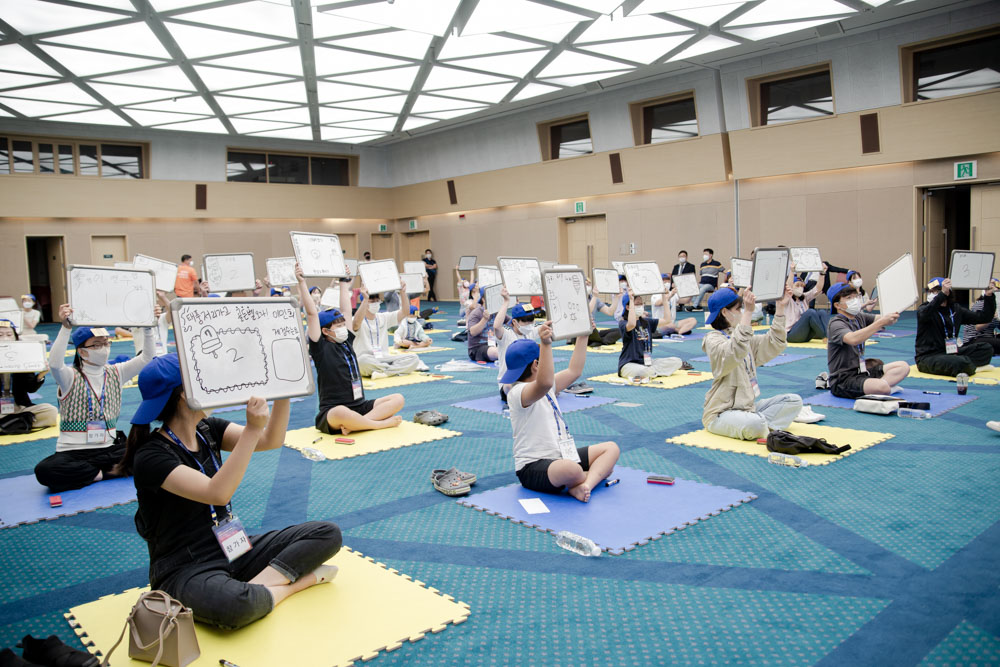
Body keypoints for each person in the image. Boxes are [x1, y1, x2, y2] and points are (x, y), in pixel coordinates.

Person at [116, 354, 341, 630]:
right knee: (237, 606)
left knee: (327, 534)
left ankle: (256, 590)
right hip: (185, 567)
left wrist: (283, 391)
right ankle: (296, 584)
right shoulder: (151, 456)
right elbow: (217, 493)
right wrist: (252, 429)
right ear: (185, 394)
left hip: (233, 549)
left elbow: (271, 439)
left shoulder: (206, 429)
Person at [34, 304, 156, 492]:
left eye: (106, 343)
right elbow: (55, 364)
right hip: (73, 452)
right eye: (97, 344)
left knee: (151, 449)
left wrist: (148, 327)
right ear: (82, 352)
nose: (104, 348)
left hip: (109, 448)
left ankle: (94, 473)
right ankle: (106, 473)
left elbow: (147, 358)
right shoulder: (69, 376)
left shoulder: (117, 372)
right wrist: (65, 328)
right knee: (45, 471)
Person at [503, 323, 619, 502]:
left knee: (611, 448)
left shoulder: (547, 386)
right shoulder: (517, 392)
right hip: (532, 467)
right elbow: (544, 383)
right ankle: (591, 475)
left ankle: (585, 485)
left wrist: (583, 335)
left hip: (562, 456)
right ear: (536, 365)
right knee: (571, 469)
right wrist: (546, 344)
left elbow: (574, 370)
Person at [297, 264, 404, 435]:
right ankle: (377, 424)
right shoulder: (321, 348)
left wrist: (343, 282)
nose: (342, 328)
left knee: (398, 399)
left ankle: (358, 423)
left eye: (343, 324)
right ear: (325, 331)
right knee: (341, 412)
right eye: (338, 326)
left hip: (360, 406)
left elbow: (346, 310)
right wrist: (302, 282)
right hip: (333, 410)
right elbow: (311, 314)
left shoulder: (346, 341)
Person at [701, 287, 811, 440]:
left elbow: (774, 342)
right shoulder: (712, 339)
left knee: (794, 401)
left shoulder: (744, 337)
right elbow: (734, 351)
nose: (741, 312)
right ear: (725, 312)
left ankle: (759, 424)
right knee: (755, 423)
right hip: (720, 413)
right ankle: (761, 425)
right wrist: (748, 312)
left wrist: (780, 308)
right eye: (738, 309)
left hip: (748, 408)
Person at [826, 282, 909, 397]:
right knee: (882, 387)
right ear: (837, 305)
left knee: (903, 367)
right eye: (849, 298)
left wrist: (892, 314)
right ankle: (881, 388)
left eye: (855, 297)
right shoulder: (836, 323)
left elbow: (882, 318)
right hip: (843, 379)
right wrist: (881, 323)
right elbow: (853, 339)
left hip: (862, 371)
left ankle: (877, 388)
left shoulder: (858, 317)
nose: (854, 300)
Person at [915, 277, 996, 376]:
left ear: (948, 292)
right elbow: (924, 314)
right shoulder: (924, 309)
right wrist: (941, 295)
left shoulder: (955, 309)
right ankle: (969, 366)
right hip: (928, 357)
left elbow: (984, 318)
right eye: (930, 291)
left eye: (936, 291)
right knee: (960, 362)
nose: (932, 294)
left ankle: (968, 366)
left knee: (986, 348)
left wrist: (988, 296)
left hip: (951, 351)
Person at [351, 290, 427, 379]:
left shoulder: (383, 317)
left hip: (384, 358)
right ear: (364, 303)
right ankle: (393, 370)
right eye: (372, 301)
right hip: (367, 359)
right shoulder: (356, 319)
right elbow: (356, 324)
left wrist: (403, 292)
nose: (375, 303)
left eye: (377, 301)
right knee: (361, 362)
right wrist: (365, 299)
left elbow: (405, 312)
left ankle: (384, 373)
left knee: (414, 358)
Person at [0, 319, 57, 434]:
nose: (5, 338)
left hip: (19, 407)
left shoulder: (24, 357)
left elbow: (30, 388)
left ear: (16, 338)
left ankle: (7, 425)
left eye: (9, 335)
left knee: (51, 411)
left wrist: (41, 374)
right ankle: (18, 423)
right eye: (0, 335)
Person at [617, 291, 683, 381]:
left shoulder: (646, 322)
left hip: (647, 363)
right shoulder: (623, 323)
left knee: (677, 361)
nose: (641, 306)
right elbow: (632, 324)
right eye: (637, 304)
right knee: (644, 371)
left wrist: (665, 299)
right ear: (628, 307)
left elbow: (667, 320)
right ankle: (652, 372)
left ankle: (652, 372)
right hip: (629, 364)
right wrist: (631, 300)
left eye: (641, 304)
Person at [494, 289, 540, 401]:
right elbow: (496, 327)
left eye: (531, 320)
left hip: (529, 381)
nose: (529, 324)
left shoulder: (530, 332)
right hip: (510, 384)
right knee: (509, 387)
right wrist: (506, 302)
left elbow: (550, 326)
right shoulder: (506, 336)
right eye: (525, 321)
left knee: (550, 382)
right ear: (514, 322)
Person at [785, 272, 829, 343]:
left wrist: (822, 274)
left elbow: (818, 289)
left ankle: (829, 336)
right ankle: (824, 336)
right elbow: (788, 287)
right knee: (810, 312)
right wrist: (792, 271)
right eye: (797, 285)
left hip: (804, 333)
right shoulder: (787, 299)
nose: (800, 288)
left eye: (802, 286)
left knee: (822, 312)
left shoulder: (804, 297)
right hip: (791, 334)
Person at [961, 278, 1000, 355]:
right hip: (974, 339)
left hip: (988, 338)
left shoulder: (995, 306)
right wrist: (991, 317)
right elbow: (978, 327)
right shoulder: (981, 304)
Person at [465, 288, 499, 363]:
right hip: (477, 348)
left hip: (493, 344)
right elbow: (473, 332)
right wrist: (484, 319)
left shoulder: (496, 312)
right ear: (483, 299)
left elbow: (512, 322)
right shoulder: (476, 313)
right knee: (496, 352)